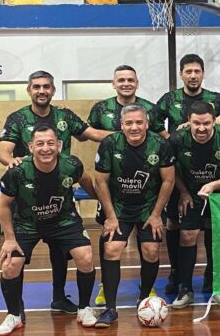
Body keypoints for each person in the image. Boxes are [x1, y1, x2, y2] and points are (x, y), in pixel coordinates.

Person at [0, 70, 109, 315]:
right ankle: (16, 309)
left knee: (61, 252)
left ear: (53, 90)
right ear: (29, 90)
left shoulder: (64, 116)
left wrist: (127, 135)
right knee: (16, 257)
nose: (41, 91)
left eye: (46, 86)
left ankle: (59, 298)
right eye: (36, 87)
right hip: (28, 198)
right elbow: (3, 151)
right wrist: (11, 162)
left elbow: (92, 134)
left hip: (59, 198)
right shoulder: (17, 118)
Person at [0, 124, 98, 335]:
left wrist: (101, 201)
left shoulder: (71, 165)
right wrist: (9, 239)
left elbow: (86, 181)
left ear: (59, 145)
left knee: (86, 257)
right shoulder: (17, 172)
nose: (46, 148)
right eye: (40, 143)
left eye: (51, 143)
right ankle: (14, 314)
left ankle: (84, 308)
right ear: (31, 147)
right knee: (10, 266)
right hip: (27, 224)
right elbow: (3, 205)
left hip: (64, 221)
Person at [91, 103, 175, 328]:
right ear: (121, 125)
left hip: (149, 206)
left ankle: (144, 299)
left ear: (147, 124)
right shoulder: (110, 144)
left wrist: (156, 214)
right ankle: (110, 308)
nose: (134, 127)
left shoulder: (161, 145)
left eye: (139, 122)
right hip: (118, 206)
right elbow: (100, 181)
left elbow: (168, 180)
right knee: (112, 249)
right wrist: (110, 216)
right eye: (129, 123)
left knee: (151, 250)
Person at [156, 54, 220, 294]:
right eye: (188, 71)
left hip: (212, 171)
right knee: (174, 224)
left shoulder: (216, 99)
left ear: (203, 73)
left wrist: (209, 129)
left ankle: (211, 275)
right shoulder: (169, 99)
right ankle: (176, 273)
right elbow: (154, 123)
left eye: (196, 71)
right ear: (181, 74)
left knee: (211, 226)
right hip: (180, 173)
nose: (192, 75)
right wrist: (172, 140)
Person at [87, 64, 162, 306]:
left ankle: (146, 291)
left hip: (147, 200)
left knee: (150, 249)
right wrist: (111, 138)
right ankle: (106, 290)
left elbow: (163, 140)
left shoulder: (152, 111)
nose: (126, 83)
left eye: (131, 79)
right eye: (121, 80)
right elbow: (84, 133)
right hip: (116, 199)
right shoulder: (102, 112)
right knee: (110, 243)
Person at [169, 101, 220, 309]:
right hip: (189, 192)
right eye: (196, 123)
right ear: (189, 122)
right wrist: (183, 192)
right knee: (187, 235)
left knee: (216, 236)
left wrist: (213, 185)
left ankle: (216, 285)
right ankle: (186, 289)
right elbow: (169, 171)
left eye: (207, 123)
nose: (201, 128)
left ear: (214, 122)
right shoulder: (177, 139)